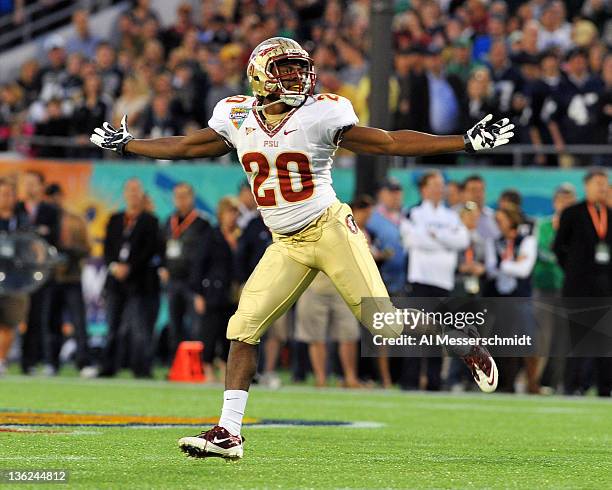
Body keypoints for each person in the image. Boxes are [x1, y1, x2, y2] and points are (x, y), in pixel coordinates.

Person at [91, 37, 513, 460]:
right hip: (285, 242)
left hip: (329, 229)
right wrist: (129, 145)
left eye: (300, 68)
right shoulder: (236, 114)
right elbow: (185, 147)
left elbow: (386, 141)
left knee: (383, 324)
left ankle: (459, 337)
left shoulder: (322, 112)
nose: (297, 76)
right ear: (260, 74)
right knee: (242, 328)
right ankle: (228, 432)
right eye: (286, 69)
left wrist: (462, 141)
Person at [400, 171, 469, 391]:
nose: (440, 189)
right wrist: (444, 241)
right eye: (435, 185)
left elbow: (462, 240)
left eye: (442, 185)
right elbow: (412, 239)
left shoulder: (451, 216)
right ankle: (409, 382)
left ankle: (433, 383)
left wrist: (434, 236)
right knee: (414, 334)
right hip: (420, 279)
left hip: (443, 282)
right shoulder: (414, 212)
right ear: (423, 189)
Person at [553, 169, 612, 397]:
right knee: (578, 337)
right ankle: (572, 386)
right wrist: (572, 270)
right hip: (578, 285)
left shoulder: (609, 213)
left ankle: (604, 387)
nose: (602, 187)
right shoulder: (572, 213)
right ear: (586, 186)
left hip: (606, 285)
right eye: (598, 183)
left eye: (604, 183)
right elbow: (558, 248)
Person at [100, 179, 160, 378]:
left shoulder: (150, 221)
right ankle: (108, 367)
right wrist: (114, 266)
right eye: (130, 191)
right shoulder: (115, 219)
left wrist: (130, 267)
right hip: (116, 280)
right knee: (112, 326)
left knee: (140, 329)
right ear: (125, 194)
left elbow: (150, 249)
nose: (133, 195)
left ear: (141, 195)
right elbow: (107, 248)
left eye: (137, 191)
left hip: (140, 281)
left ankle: (141, 368)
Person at [159, 182, 211, 363]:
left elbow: (206, 255)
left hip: (193, 282)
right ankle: (177, 367)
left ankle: (198, 365)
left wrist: (200, 282)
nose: (180, 200)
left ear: (192, 198)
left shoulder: (202, 223)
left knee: (197, 327)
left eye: (184, 196)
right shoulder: (168, 221)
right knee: (175, 326)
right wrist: (163, 267)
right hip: (173, 281)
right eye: (177, 196)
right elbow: (161, 248)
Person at [16, 170, 60, 375]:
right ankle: (23, 361)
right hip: (17, 273)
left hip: (42, 273)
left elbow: (56, 239)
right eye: (26, 183)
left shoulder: (51, 211)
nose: (29, 187)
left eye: (34, 183)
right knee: (17, 317)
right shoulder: (15, 209)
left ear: (41, 187)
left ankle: (46, 361)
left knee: (41, 318)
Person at [191, 197, 239, 383]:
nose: (232, 217)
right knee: (210, 332)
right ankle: (208, 368)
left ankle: (226, 367)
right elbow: (199, 264)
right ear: (221, 214)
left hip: (233, 293)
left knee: (229, 333)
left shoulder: (240, 236)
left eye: (235, 213)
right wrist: (198, 294)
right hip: (212, 291)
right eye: (229, 212)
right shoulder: (211, 235)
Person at [0, 179, 30, 376]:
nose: (6, 198)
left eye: (10, 194)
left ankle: (1, 360)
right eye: (2, 194)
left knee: (8, 322)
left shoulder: (23, 221)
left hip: (14, 279)